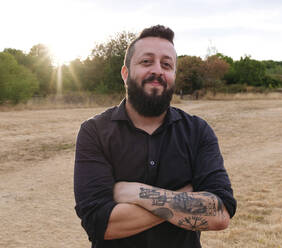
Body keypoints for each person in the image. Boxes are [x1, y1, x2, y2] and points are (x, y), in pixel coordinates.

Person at [74, 25, 236, 248]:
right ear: (125, 73)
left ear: (173, 76)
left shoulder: (198, 131)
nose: (158, 70)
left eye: (166, 64)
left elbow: (220, 214)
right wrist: (185, 196)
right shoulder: (94, 132)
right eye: (146, 61)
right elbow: (100, 224)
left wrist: (136, 193)